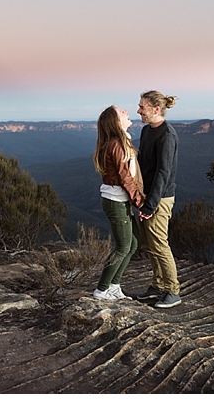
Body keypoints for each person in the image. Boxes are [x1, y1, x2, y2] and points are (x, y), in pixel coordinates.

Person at [91, 105, 144, 301]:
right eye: (120, 111)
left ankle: (114, 285)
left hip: (121, 200)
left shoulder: (120, 142)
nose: (125, 111)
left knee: (134, 243)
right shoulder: (116, 145)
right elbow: (125, 178)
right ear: (115, 121)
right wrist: (140, 202)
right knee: (123, 247)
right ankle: (101, 290)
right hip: (116, 201)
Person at [135, 90, 181, 308]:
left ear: (155, 109)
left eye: (142, 107)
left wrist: (151, 205)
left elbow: (163, 173)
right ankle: (158, 285)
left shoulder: (167, 136)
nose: (138, 110)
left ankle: (173, 291)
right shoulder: (147, 131)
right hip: (147, 196)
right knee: (149, 244)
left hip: (160, 199)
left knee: (160, 244)